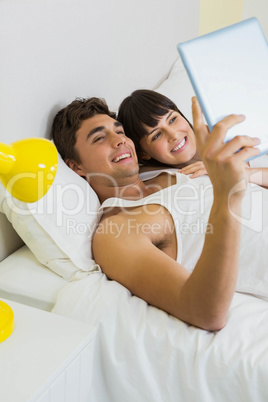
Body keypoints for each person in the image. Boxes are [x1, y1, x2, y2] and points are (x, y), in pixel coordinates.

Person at [51, 96, 265, 331]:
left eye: (120, 132)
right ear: (76, 167)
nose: (120, 141)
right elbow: (204, 312)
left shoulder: (172, 168)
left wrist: (246, 175)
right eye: (100, 138)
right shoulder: (117, 231)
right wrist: (227, 196)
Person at [117, 89, 268, 186]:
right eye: (156, 135)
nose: (174, 135)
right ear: (144, 153)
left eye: (172, 119)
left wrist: (242, 173)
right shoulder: (161, 179)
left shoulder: (228, 130)